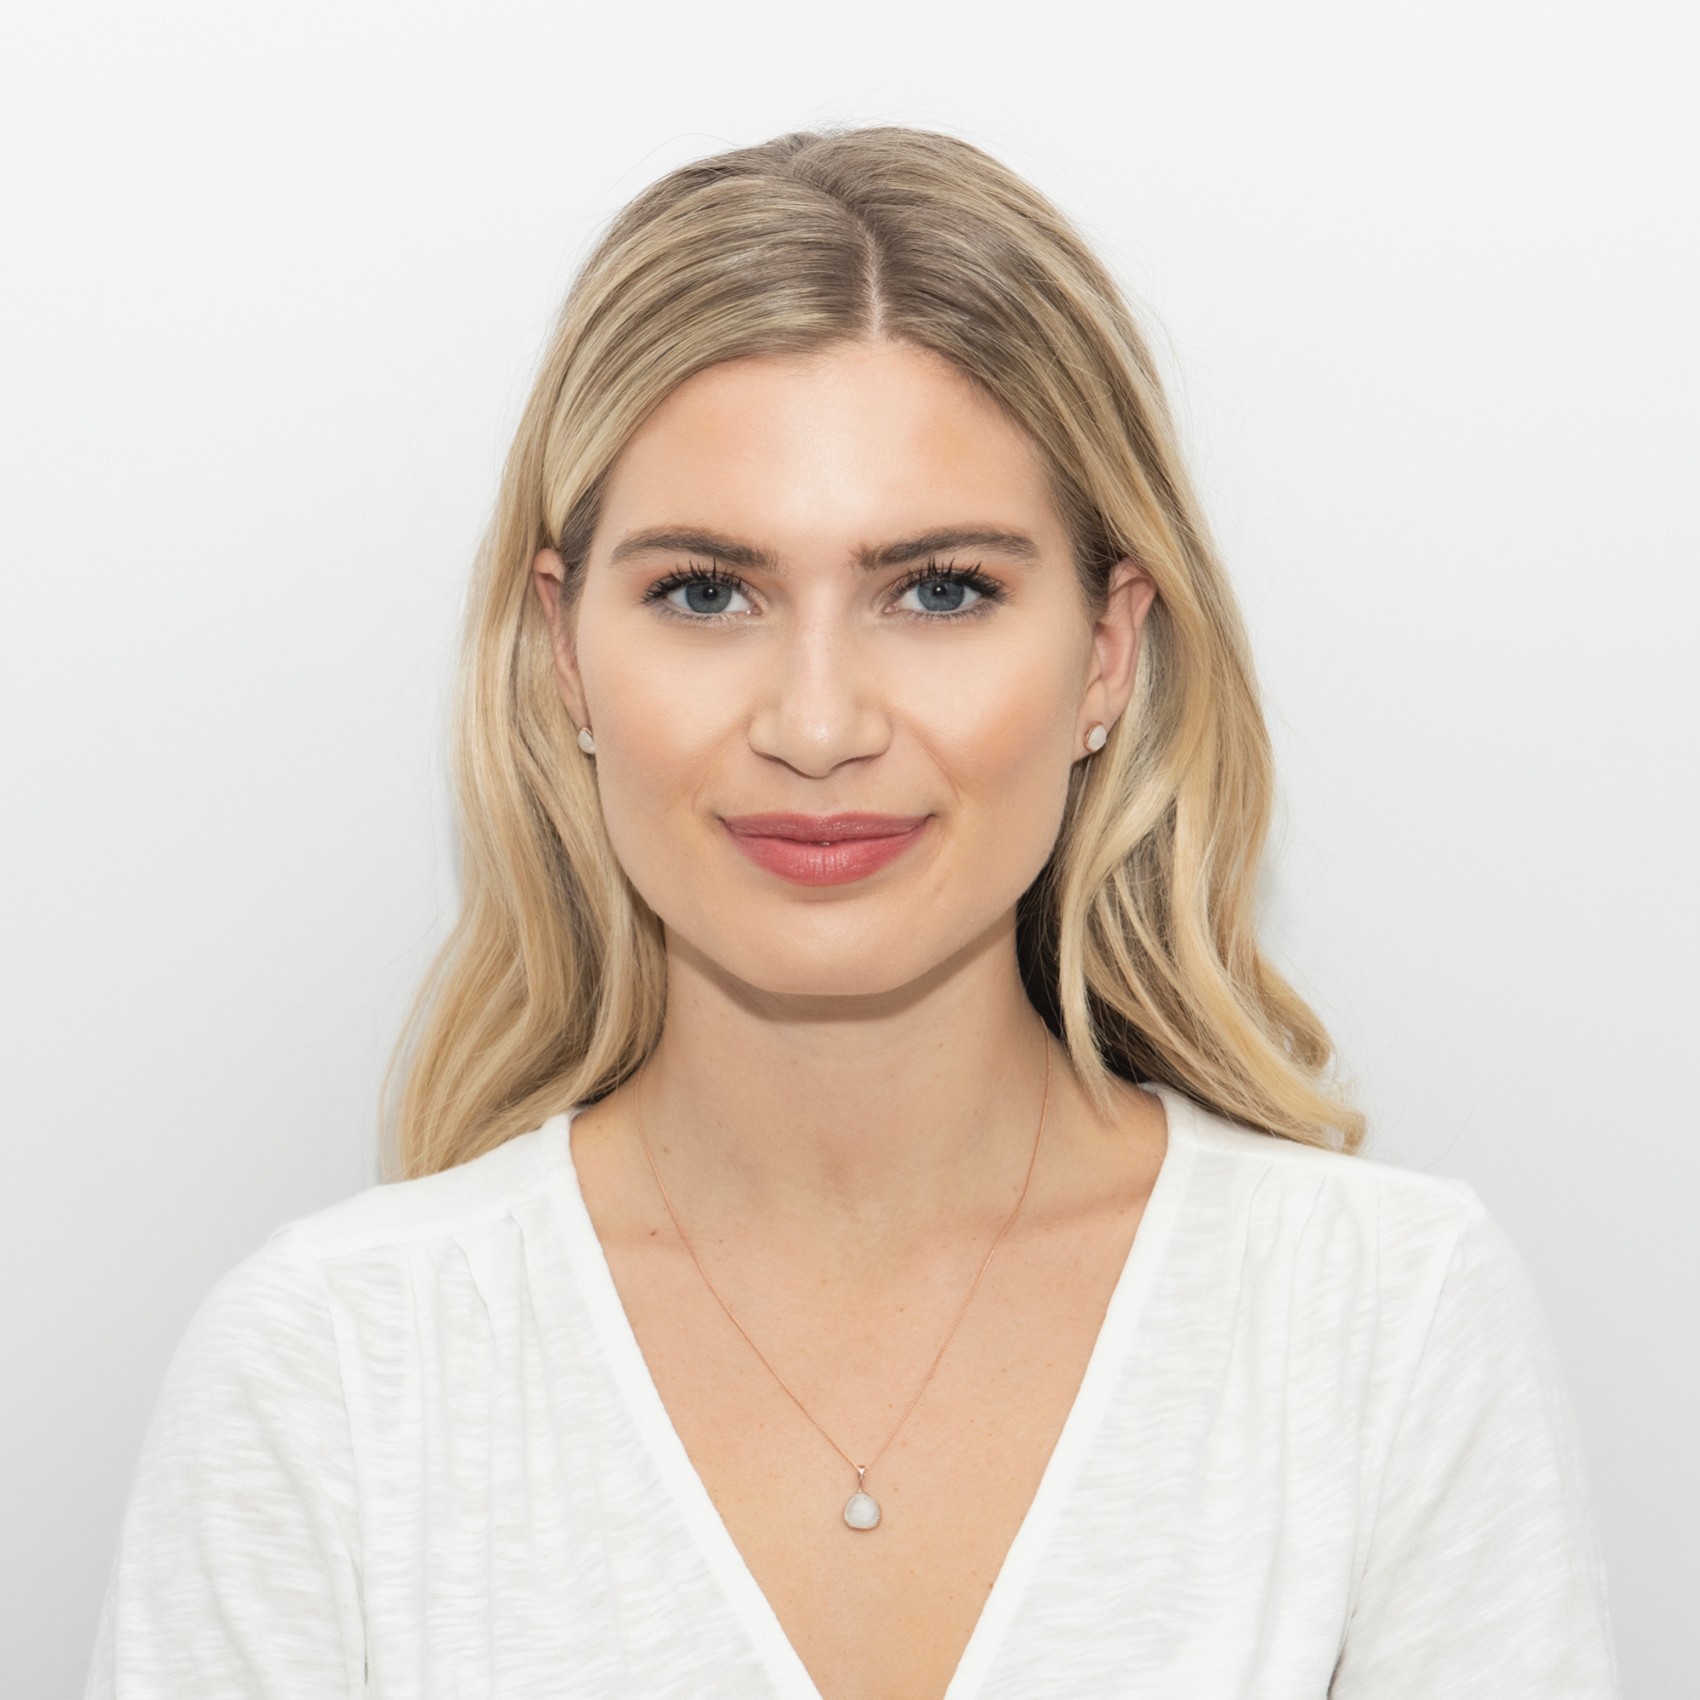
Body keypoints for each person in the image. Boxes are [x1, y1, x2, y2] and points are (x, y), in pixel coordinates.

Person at [86, 125, 1620, 1699]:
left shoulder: (1387, 1326)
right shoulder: (327, 1374)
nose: (817, 726)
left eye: (940, 589)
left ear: (1107, 653)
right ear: (565, 654)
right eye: (706, 592)